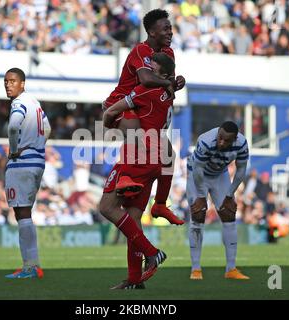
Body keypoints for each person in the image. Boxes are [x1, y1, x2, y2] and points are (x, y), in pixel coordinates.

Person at [102, 8, 186, 225]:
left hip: (143, 107)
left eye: (170, 28)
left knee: (169, 154)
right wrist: (167, 83)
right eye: (165, 28)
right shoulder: (141, 50)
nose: (170, 32)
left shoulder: (168, 53)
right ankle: (125, 177)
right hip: (122, 104)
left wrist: (175, 84)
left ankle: (159, 204)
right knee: (135, 132)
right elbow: (147, 79)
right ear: (151, 31)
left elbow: (164, 89)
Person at [100, 53, 175, 289]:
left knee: (107, 207)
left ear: (161, 73)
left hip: (140, 156)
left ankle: (152, 253)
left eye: (151, 66)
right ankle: (134, 279)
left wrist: (108, 119)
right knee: (132, 216)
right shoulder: (166, 93)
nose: (146, 69)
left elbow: (111, 111)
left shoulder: (145, 90)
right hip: (156, 158)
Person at [3, 68, 51, 279]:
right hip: (37, 161)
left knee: (21, 213)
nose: (8, 84)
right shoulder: (35, 103)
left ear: (22, 83)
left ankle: (30, 267)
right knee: (25, 213)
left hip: (22, 163)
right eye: (5, 81)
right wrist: (37, 146)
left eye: (12, 81)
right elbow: (47, 129)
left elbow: (13, 127)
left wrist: (14, 150)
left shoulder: (19, 103)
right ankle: (33, 265)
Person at [187, 121, 250, 280]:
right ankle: (196, 269)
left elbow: (241, 169)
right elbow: (198, 169)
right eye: (220, 138)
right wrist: (202, 197)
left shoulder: (242, 144)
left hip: (220, 175)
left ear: (235, 139)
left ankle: (231, 269)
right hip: (197, 175)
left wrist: (230, 195)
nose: (221, 142)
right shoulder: (206, 140)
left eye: (226, 140)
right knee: (198, 215)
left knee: (229, 215)